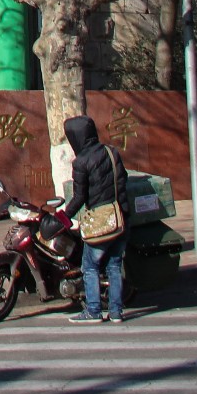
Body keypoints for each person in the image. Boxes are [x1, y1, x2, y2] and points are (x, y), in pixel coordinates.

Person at [63, 115, 130, 324]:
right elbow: (123, 178)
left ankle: (93, 310)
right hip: (120, 217)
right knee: (114, 265)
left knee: (90, 266)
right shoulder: (112, 152)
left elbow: (80, 196)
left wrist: (64, 216)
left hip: (101, 223)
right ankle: (116, 312)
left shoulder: (81, 162)